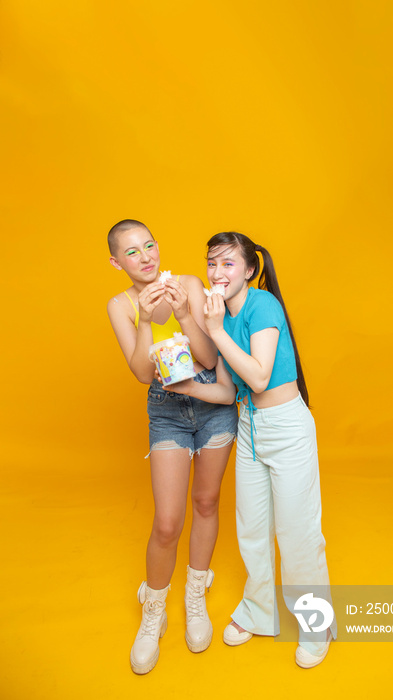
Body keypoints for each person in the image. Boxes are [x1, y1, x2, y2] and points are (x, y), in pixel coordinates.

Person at [167, 231, 337, 668]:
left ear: (248, 270)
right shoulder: (218, 315)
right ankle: (259, 613)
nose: (217, 273)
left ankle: (316, 624)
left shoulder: (262, 305)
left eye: (228, 264)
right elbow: (228, 391)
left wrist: (216, 329)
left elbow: (259, 378)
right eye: (212, 264)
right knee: (252, 530)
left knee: (298, 535)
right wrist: (183, 384)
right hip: (249, 427)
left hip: (286, 428)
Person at [106, 219, 238, 674]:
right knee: (166, 522)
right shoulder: (120, 305)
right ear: (116, 262)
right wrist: (146, 318)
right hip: (166, 406)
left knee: (205, 501)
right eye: (132, 252)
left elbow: (207, 358)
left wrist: (184, 313)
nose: (145, 256)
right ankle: (153, 611)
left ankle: (195, 594)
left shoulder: (187, 283)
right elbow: (143, 373)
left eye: (149, 245)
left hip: (212, 402)